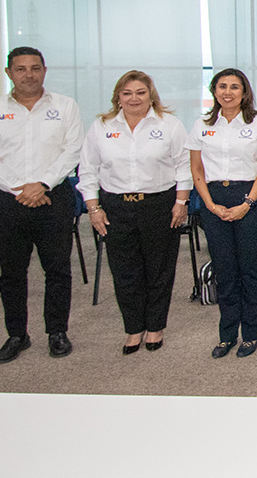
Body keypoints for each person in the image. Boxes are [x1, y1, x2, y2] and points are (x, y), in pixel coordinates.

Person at [0, 47, 83, 364]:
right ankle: (17, 335)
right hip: (9, 201)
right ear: (9, 73)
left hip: (54, 197)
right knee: (11, 273)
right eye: (20, 69)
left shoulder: (65, 106)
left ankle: (57, 332)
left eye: (35, 68)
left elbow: (72, 150)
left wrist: (43, 184)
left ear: (44, 70)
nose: (29, 75)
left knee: (58, 270)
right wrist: (19, 189)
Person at [81, 70, 191, 354]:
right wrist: (93, 208)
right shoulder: (101, 126)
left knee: (159, 269)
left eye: (141, 92)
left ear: (151, 96)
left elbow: (184, 166)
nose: (134, 98)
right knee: (124, 272)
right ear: (118, 97)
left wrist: (181, 203)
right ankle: (133, 328)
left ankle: (155, 326)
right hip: (115, 207)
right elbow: (88, 169)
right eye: (127, 93)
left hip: (159, 204)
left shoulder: (169, 125)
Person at [186, 68, 257, 359]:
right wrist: (210, 205)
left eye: (235, 87)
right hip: (214, 200)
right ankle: (227, 335)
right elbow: (196, 168)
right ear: (214, 91)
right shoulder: (201, 125)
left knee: (251, 271)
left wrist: (247, 204)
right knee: (225, 271)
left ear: (244, 92)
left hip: (250, 198)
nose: (228, 92)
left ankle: (251, 334)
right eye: (222, 86)